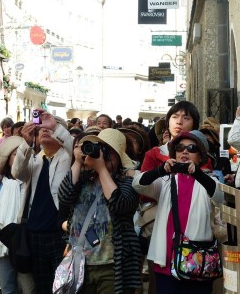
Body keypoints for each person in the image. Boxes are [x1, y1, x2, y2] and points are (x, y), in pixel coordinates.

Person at [132, 130, 223, 294]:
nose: (185, 151)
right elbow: (138, 184)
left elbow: (219, 196)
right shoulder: (166, 181)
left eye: (192, 148)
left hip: (197, 261)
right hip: (165, 261)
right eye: (180, 148)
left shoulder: (209, 180)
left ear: (201, 157)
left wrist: (197, 174)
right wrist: (160, 170)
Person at [58, 128, 142, 294]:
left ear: (119, 157)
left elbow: (119, 204)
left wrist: (102, 169)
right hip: (80, 263)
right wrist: (77, 162)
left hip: (113, 266)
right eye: (100, 148)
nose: (101, 155)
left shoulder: (127, 181)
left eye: (108, 151)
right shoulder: (84, 179)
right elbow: (64, 198)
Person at [139, 100, 200, 294]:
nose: (179, 121)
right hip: (161, 227)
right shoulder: (154, 154)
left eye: (186, 117)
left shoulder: (200, 153)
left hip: (194, 235)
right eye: (174, 116)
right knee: (161, 283)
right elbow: (142, 188)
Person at [11, 111, 73, 294]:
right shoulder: (35, 158)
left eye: (50, 128)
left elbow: (73, 145)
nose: (44, 131)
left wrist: (55, 126)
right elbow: (17, 173)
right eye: (41, 128)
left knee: (63, 285)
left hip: (60, 233)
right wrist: (26, 143)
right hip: (34, 233)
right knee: (42, 286)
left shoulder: (69, 157)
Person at [0, 136, 35, 294]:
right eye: (15, 154)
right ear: (7, 159)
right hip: (2, 243)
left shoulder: (31, 181)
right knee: (8, 289)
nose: (19, 158)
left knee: (29, 288)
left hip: (25, 243)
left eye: (23, 154)